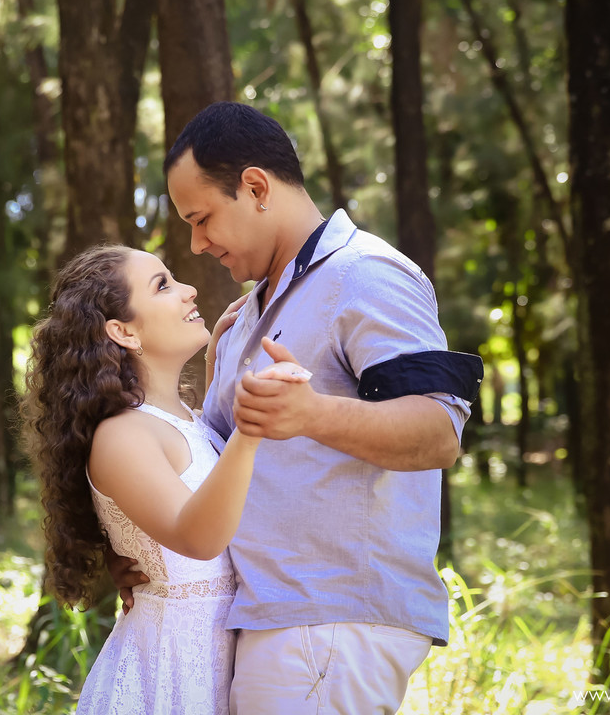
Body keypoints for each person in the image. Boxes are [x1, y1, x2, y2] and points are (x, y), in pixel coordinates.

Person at [113, 101, 484, 714]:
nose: (196, 244)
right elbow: (211, 470)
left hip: (325, 623)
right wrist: (145, 554)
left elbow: (438, 432)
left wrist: (313, 414)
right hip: (271, 620)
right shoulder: (246, 317)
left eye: (202, 219)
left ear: (255, 188)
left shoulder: (366, 273)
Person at [22, 244, 309, 714]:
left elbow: (201, 474)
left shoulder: (186, 421)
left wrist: (217, 365)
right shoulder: (122, 435)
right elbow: (198, 539)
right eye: (163, 285)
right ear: (123, 331)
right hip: (167, 673)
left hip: (221, 663)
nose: (189, 290)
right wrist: (251, 427)